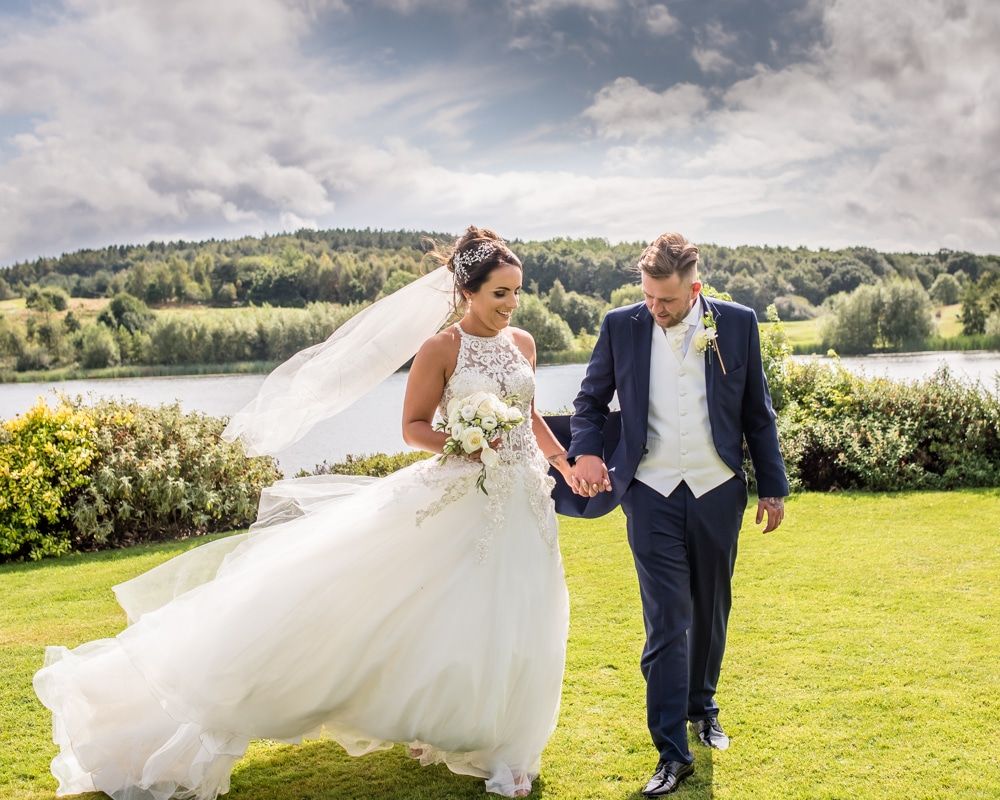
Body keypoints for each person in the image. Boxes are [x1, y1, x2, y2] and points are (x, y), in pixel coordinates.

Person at [33, 226, 574, 800]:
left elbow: (528, 415)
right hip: (458, 497)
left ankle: (491, 740)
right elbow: (414, 427)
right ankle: (475, 742)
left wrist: (562, 462)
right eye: (500, 293)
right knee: (414, 610)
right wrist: (462, 443)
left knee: (512, 614)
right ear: (468, 291)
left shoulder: (523, 343)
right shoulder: (441, 349)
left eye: (517, 292)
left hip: (523, 500)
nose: (511, 304)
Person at [551, 232, 788, 796]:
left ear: (695, 289)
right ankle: (670, 752)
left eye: (668, 300)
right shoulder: (621, 325)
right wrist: (585, 451)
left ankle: (702, 706)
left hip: (717, 488)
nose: (656, 308)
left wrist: (772, 487)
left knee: (711, 607)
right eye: (648, 297)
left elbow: (757, 412)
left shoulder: (738, 323)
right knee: (666, 620)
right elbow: (589, 402)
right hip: (650, 491)